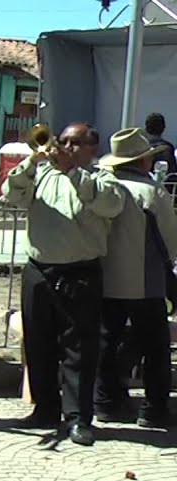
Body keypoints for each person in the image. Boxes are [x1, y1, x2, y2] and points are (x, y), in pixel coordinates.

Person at [2, 122, 125, 446]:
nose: (65, 147)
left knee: (79, 350)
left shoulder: (102, 178)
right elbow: (11, 193)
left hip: (79, 274)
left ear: (91, 147)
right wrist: (32, 161)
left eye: (75, 142)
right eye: (63, 141)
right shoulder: (42, 175)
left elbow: (108, 204)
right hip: (39, 271)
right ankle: (45, 409)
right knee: (38, 344)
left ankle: (78, 418)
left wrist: (71, 171)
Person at [95, 128, 177, 428]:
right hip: (145, 280)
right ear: (142, 161)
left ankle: (105, 401)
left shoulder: (103, 188)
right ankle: (153, 408)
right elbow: (171, 240)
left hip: (105, 278)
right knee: (155, 347)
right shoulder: (152, 192)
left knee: (106, 341)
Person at [143, 112, 177, 179]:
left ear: (146, 128)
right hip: (167, 188)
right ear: (163, 128)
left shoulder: (142, 148)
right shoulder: (169, 148)